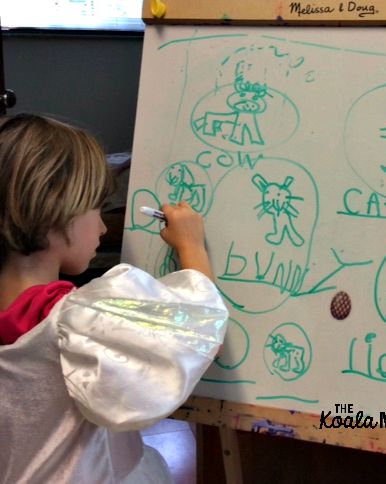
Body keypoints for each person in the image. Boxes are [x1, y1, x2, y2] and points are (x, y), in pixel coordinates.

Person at [0, 113, 229, 483]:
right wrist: (192, 247)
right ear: (56, 214)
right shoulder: (77, 322)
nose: (104, 226)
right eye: (96, 207)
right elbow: (201, 334)